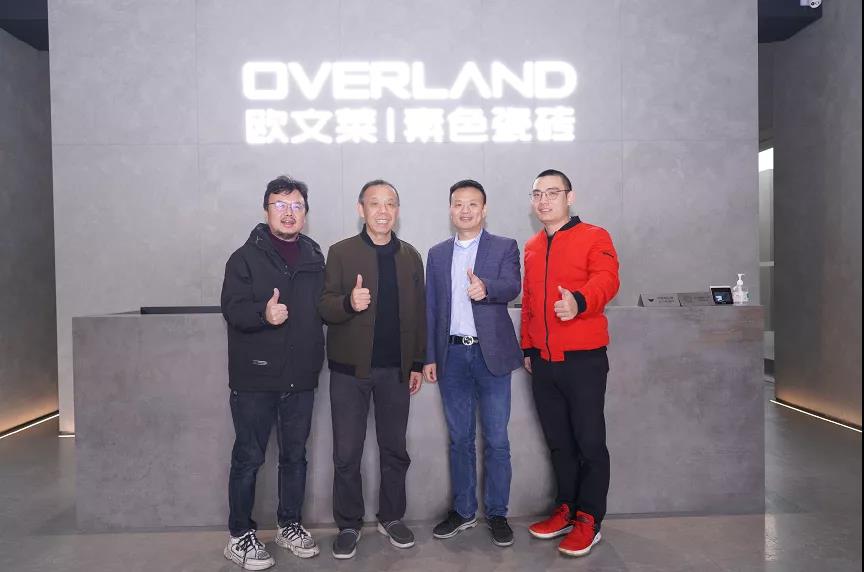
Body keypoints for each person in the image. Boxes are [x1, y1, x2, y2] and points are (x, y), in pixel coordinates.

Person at [220, 176, 326, 569]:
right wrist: (263, 314)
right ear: (266, 210)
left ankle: (289, 525)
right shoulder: (244, 258)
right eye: (280, 205)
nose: (289, 212)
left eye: (296, 205)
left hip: (301, 376)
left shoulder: (315, 257)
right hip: (255, 378)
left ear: (305, 213)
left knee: (295, 457)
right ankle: (239, 535)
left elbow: (324, 308)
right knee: (249, 457)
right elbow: (233, 309)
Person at [318, 179, 426, 560]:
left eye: (390, 204)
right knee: (347, 453)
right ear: (360, 209)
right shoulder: (341, 253)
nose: (383, 211)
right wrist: (349, 302)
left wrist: (416, 363)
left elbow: (419, 314)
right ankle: (348, 524)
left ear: (397, 210)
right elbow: (324, 307)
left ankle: (391, 517)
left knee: (395, 449)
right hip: (350, 372)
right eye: (375, 203)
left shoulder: (411, 256)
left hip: (396, 372)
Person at [521, 169, 620, 557]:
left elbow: (608, 280)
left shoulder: (595, 236)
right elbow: (530, 304)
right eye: (537, 194)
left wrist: (578, 301)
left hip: (584, 361)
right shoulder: (532, 246)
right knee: (559, 444)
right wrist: (528, 348)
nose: (544, 201)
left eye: (552, 193)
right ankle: (566, 509)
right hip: (544, 363)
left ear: (569, 197)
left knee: (589, 443)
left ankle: (589, 519)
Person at [423, 179, 522, 547]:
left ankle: (497, 513)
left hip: (490, 355)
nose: (465, 210)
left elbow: (513, 285)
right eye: (458, 204)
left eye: (472, 204)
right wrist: (429, 356)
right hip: (452, 357)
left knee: (497, 439)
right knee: (460, 439)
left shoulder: (504, 246)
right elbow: (431, 307)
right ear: (450, 210)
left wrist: (487, 289)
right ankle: (464, 511)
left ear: (484, 209)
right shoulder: (436, 254)